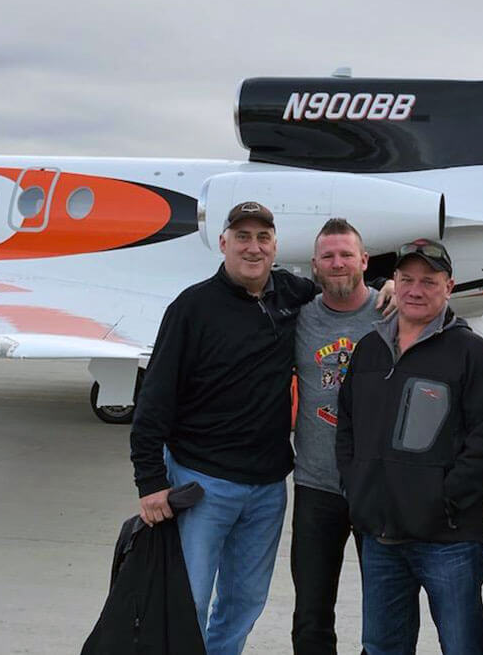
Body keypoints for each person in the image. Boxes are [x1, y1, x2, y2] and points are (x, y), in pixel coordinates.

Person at [130, 201, 316, 655]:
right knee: (190, 598)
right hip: (203, 482)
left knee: (245, 600)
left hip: (269, 487)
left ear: (275, 246)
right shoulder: (191, 308)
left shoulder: (292, 294)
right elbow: (153, 398)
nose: (253, 248)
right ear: (223, 243)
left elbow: (345, 292)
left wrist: (384, 287)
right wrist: (151, 481)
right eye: (242, 237)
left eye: (263, 238)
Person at [336, 239, 483, 655]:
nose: (415, 289)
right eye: (406, 279)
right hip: (380, 538)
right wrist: (358, 490)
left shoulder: (473, 355)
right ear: (393, 281)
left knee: (461, 646)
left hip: (447, 541)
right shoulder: (370, 349)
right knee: (381, 647)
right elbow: (348, 430)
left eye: (428, 281)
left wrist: (443, 502)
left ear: (449, 286)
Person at [290, 218, 382, 654]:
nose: (338, 263)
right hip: (316, 486)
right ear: (314, 265)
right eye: (328, 256)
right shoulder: (300, 318)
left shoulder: (392, 312)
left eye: (347, 254)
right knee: (311, 614)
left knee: (384, 612)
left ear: (364, 260)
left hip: (376, 485)